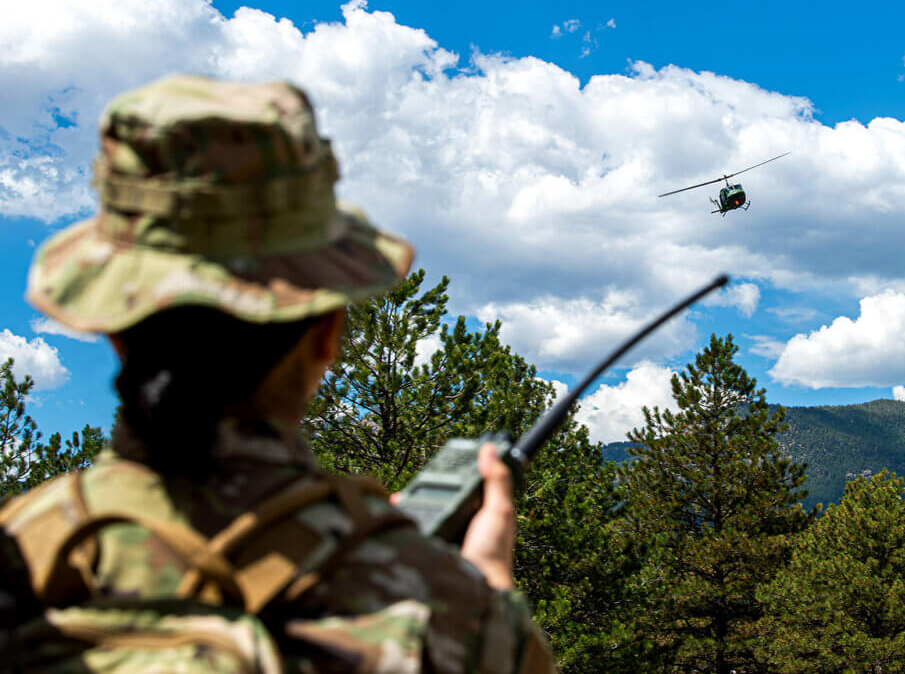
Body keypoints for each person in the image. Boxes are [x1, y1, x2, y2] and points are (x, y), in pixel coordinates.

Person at [0, 75, 554, 673]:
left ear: (113, 321)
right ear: (327, 330)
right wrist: (486, 592)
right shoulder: (451, 616)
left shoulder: (19, 561)